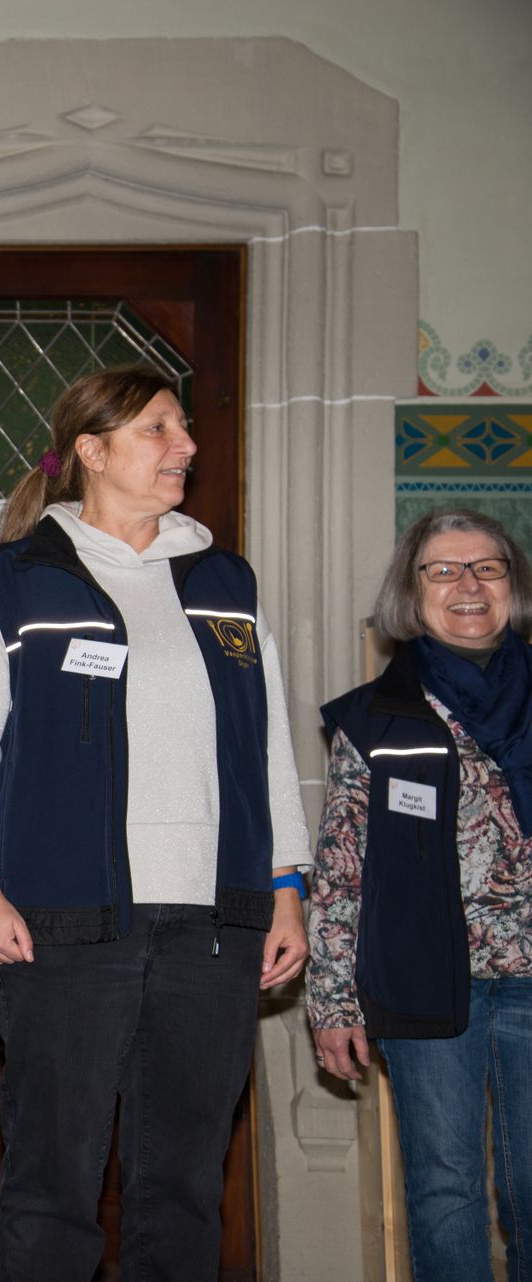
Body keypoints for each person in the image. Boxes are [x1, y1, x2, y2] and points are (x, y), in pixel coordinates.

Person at [0, 364, 311, 1281]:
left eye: (184, 430)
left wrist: (286, 890)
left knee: (184, 1182)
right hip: (63, 920)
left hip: (215, 922)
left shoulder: (226, 583)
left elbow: (269, 748)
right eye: (158, 430)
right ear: (91, 453)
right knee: (54, 1180)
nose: (185, 448)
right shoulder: (13, 584)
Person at [307, 508, 532, 1282]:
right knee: (445, 1194)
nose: (469, 584)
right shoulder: (375, 717)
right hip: (423, 984)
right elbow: (342, 868)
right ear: (412, 592)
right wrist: (332, 1001)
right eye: (444, 570)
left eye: (488, 568)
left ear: (513, 586)